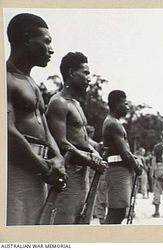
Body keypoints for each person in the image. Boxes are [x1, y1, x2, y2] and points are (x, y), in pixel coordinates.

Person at [6, 13, 66, 225]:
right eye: (46, 41)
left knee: (37, 232)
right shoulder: (6, 79)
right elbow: (7, 132)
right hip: (16, 169)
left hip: (41, 169)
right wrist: (44, 167)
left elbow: (44, 127)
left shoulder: (31, 82)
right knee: (15, 234)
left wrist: (57, 157)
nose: (51, 49)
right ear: (26, 39)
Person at [46, 52, 105, 224]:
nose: (89, 78)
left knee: (81, 222)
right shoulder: (58, 102)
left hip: (82, 173)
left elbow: (83, 140)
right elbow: (61, 143)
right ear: (71, 73)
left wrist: (95, 154)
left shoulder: (76, 104)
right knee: (65, 223)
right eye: (85, 73)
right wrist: (91, 160)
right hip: (68, 173)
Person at [101, 90, 143, 224]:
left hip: (119, 169)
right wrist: (137, 165)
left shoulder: (112, 122)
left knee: (120, 211)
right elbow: (124, 153)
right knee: (117, 213)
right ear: (115, 104)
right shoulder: (113, 123)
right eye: (125, 104)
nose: (128, 107)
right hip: (118, 170)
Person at [151, 129, 163, 218]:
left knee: (157, 190)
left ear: (161, 136)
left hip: (159, 167)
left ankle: (157, 212)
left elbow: (153, 160)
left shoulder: (157, 147)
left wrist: (153, 172)